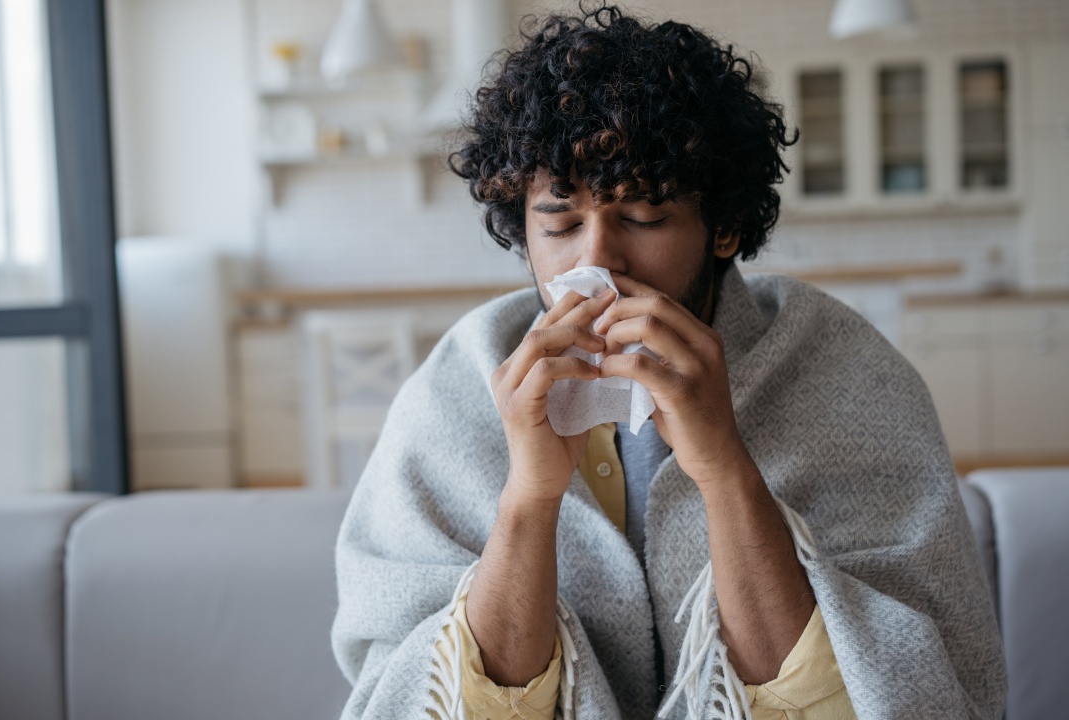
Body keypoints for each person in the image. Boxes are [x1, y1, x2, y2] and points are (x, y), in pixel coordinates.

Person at [331, 5, 1006, 719]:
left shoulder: (843, 369)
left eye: (644, 218)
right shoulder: (457, 385)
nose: (596, 262)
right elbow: (424, 697)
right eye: (558, 223)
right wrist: (528, 497)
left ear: (726, 226)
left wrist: (724, 468)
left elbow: (893, 692)